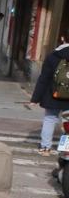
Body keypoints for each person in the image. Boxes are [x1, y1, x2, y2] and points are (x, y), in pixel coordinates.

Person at [30, 26, 69, 156]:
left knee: (50, 119)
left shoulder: (53, 55)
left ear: (63, 38)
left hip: (53, 94)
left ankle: (45, 148)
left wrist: (35, 98)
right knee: (67, 123)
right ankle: (65, 149)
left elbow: (44, 78)